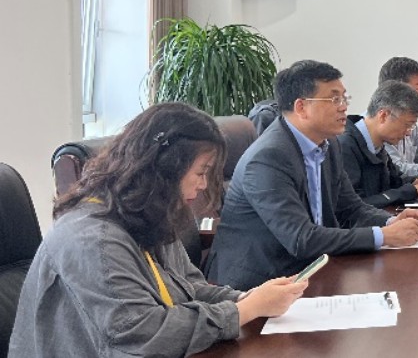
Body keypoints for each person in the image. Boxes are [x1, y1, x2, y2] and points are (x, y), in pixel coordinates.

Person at [8, 103, 307, 357]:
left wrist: (245, 299)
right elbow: (143, 334)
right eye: (201, 172)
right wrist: (244, 311)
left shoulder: (147, 215)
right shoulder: (92, 239)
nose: (203, 185)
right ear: (166, 167)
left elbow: (188, 287)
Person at [207, 60, 418, 290]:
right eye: (334, 99)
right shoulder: (268, 157)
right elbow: (301, 238)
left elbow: (351, 207)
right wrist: (383, 235)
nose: (344, 107)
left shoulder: (329, 144)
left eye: (345, 98)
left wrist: (391, 221)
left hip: (312, 269)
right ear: (301, 107)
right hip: (258, 284)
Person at [339, 81, 418, 207]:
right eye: (407, 125)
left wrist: (415, 182)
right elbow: (353, 206)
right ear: (383, 116)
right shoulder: (344, 146)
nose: (408, 133)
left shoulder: (378, 144)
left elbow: (394, 181)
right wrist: (408, 192)